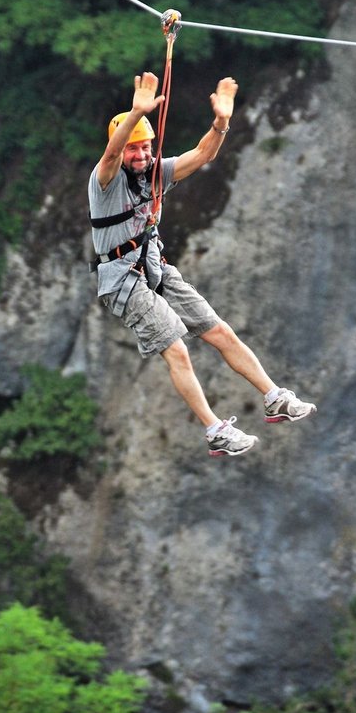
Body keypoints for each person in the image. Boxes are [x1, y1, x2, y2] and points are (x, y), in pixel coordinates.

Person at [88, 71, 316, 457]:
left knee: (219, 331)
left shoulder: (156, 173)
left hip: (155, 268)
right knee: (176, 347)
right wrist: (136, 113)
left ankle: (275, 397)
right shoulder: (104, 180)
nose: (141, 155)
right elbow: (111, 154)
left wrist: (221, 123)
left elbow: (203, 154)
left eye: (146, 148)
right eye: (134, 149)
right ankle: (215, 431)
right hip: (122, 278)